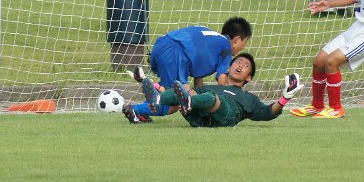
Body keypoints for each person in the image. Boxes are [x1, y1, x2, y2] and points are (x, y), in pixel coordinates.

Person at [122, 53, 304, 127]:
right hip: (197, 116)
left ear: (248, 77)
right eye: (238, 62)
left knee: (208, 96)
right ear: (229, 68)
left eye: (245, 65)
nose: (240, 65)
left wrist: (284, 98)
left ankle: (170, 100)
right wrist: (156, 86)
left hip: (225, 116)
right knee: (187, 89)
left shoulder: (247, 98)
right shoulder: (213, 87)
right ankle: (154, 101)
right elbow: (180, 91)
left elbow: (267, 113)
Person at [125, 17, 252, 121]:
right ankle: (135, 109)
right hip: (176, 55)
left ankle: (146, 102)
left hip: (160, 46)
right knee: (175, 102)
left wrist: (199, 98)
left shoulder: (211, 37)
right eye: (245, 42)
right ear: (236, 40)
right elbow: (222, 81)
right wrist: (230, 96)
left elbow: (198, 80)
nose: (243, 47)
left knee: (169, 93)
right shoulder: (226, 48)